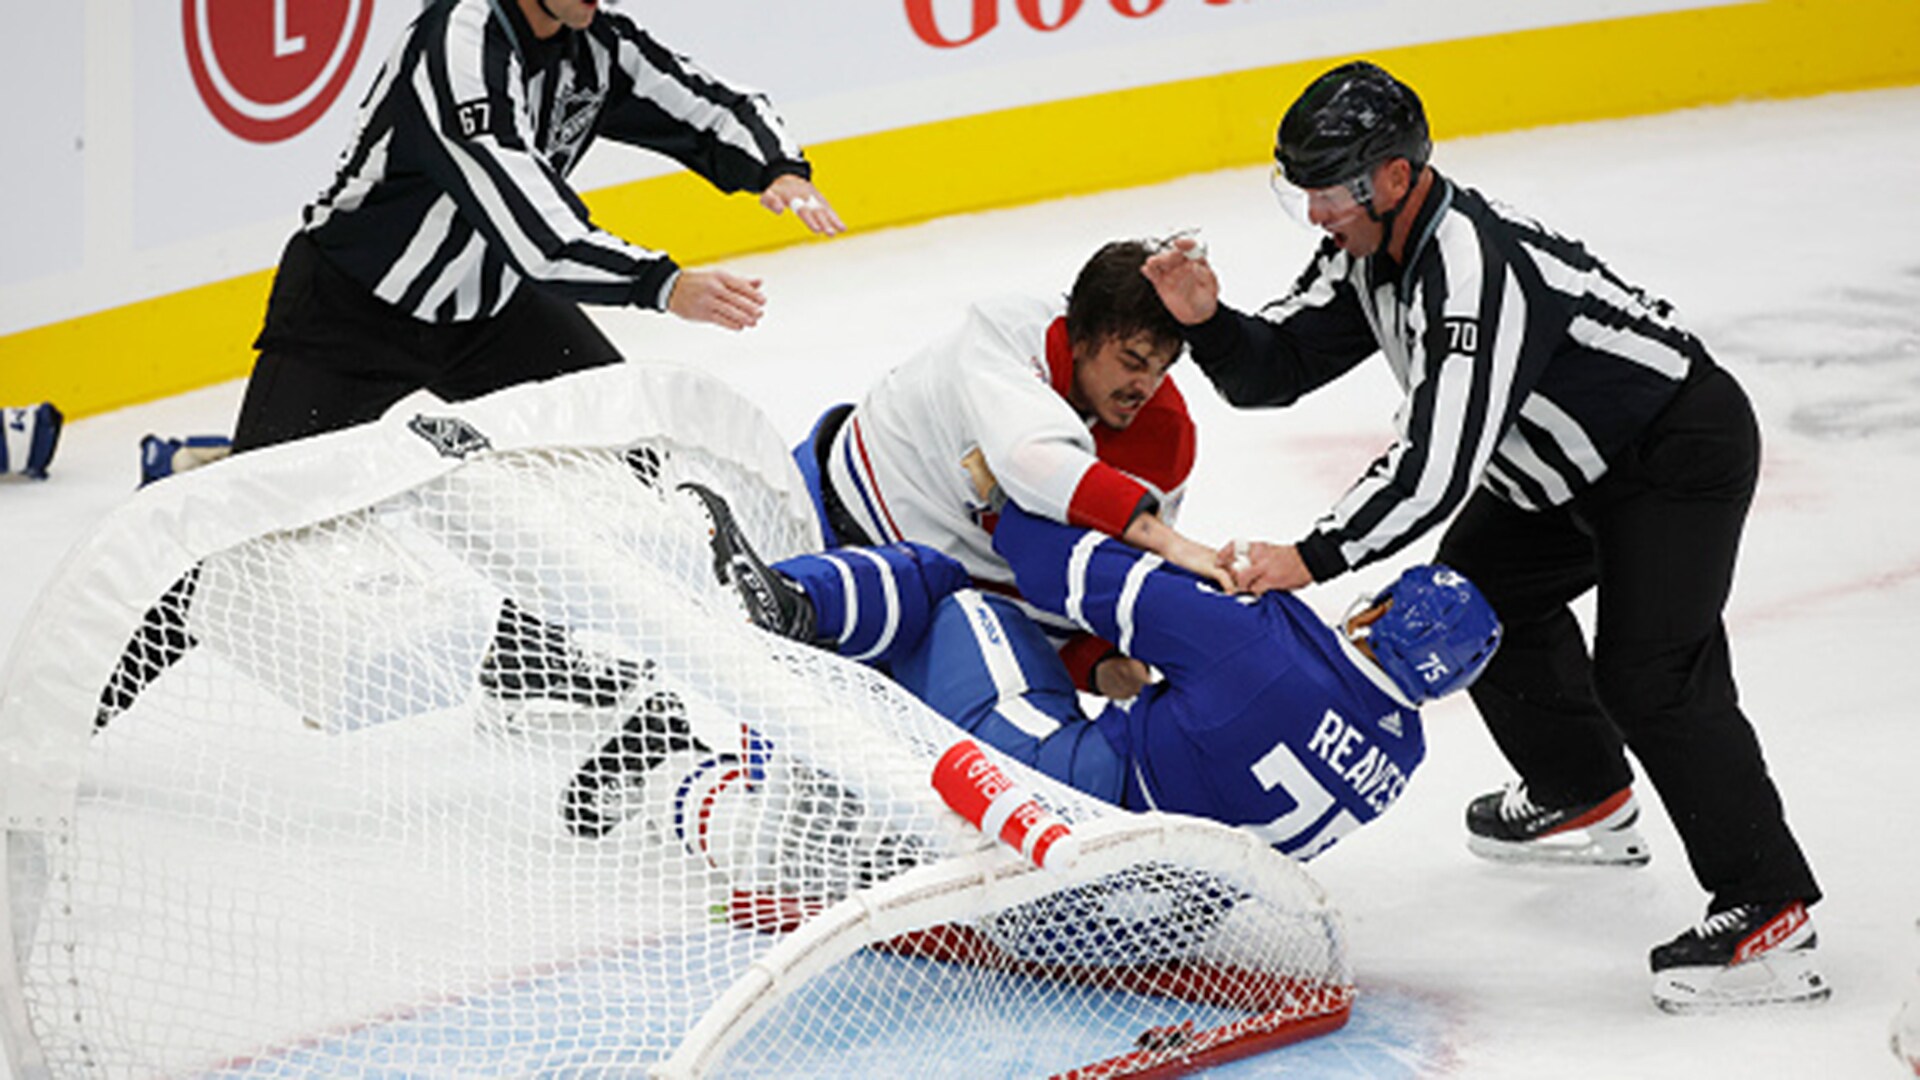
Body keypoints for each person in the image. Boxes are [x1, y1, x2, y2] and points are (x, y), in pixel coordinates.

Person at [1139, 60, 1822, 1010]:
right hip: (1554, 473)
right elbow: (1280, 367)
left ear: (1393, 176)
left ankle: (1769, 907)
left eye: (1328, 190)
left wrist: (1309, 557)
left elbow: (1434, 467)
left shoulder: (1473, 269)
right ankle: (1583, 788)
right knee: (1472, 601)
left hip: (1671, 456)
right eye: (1299, 190)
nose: (1314, 213)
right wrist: (1208, 324)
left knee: (1651, 674)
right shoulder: (1366, 249)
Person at [566, 485, 1502, 866]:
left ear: (1376, 615)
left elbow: (1068, 573)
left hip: (1049, 819)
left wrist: (1005, 505)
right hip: (1155, 909)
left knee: (949, 590)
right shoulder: (1403, 755)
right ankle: (695, 776)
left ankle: (781, 610)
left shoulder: (1258, 644)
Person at [231, 0, 843, 452]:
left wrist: (777, 167)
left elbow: (714, 105)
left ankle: (533, 632)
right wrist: (663, 284)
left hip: (492, 314)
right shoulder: (456, 46)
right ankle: (194, 490)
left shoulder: (596, 44)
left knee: (626, 454)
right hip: (353, 312)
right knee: (252, 522)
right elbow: (539, 237)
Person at [792, 240, 1211, 701]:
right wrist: (1169, 542)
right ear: (1081, 336)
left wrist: (1101, 663)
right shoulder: (1006, 332)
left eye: (1161, 368)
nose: (1145, 387)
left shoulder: (1165, 437)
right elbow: (1030, 457)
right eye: (1132, 362)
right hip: (822, 515)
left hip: (954, 615)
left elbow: (1101, 580)